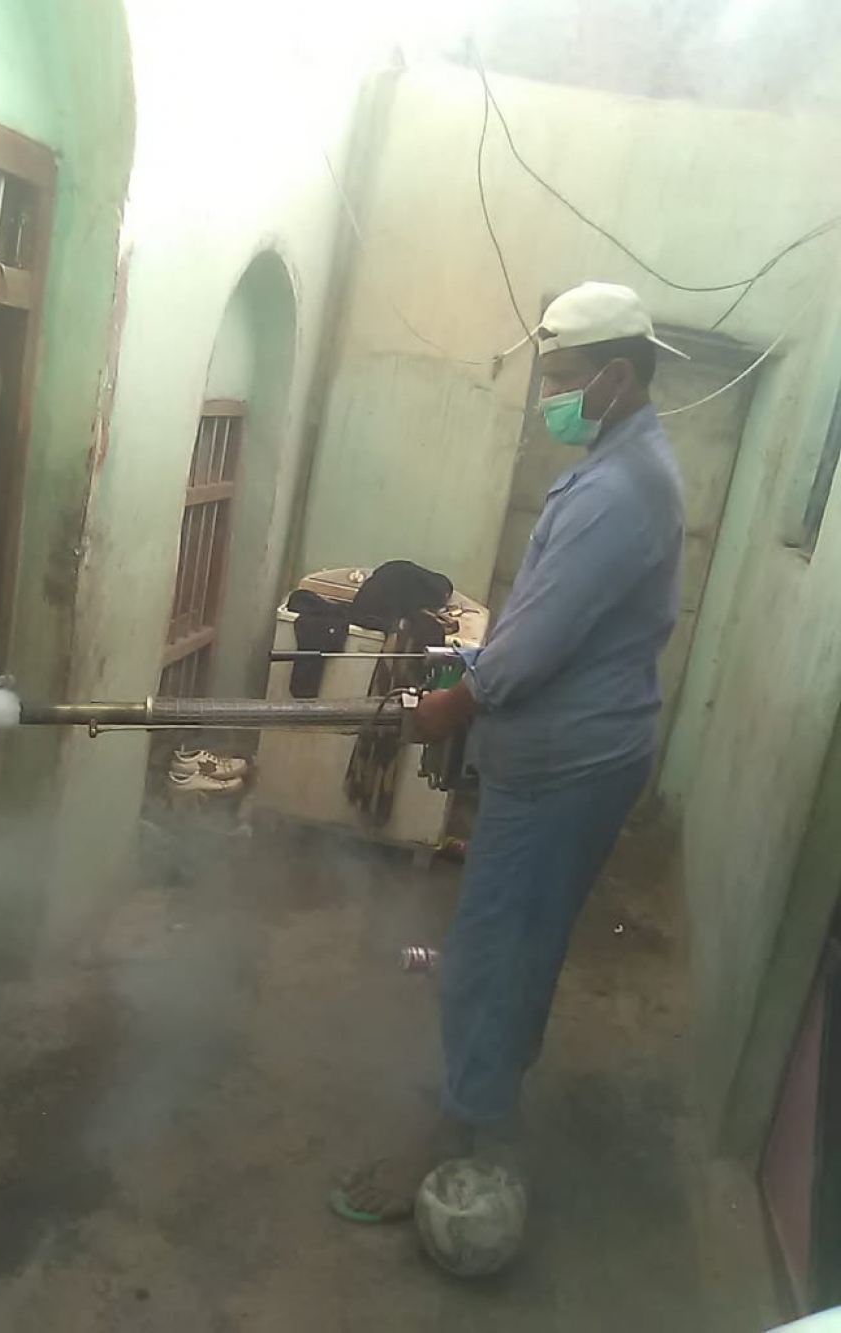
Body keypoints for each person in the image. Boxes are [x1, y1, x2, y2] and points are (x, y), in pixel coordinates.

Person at [332, 282, 685, 1223]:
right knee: (517, 942)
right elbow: (549, 622)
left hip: (564, 769)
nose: (550, 397)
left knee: (495, 949)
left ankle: (458, 1130)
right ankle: (486, 1087)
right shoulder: (624, 465)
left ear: (617, 377)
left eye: (563, 379)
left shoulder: (618, 491)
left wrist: (453, 702)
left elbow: (537, 644)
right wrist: (476, 670)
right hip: (570, 755)